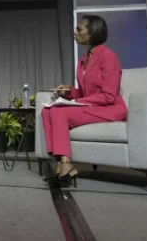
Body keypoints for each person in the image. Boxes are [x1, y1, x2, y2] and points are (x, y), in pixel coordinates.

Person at [42, 14, 127, 187]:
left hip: (109, 108)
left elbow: (109, 95)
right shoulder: (82, 61)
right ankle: (60, 162)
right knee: (47, 110)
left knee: (60, 112)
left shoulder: (108, 57)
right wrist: (68, 92)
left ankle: (66, 165)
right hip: (94, 106)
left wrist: (77, 103)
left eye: (79, 29)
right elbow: (84, 93)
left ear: (93, 32)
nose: (75, 33)